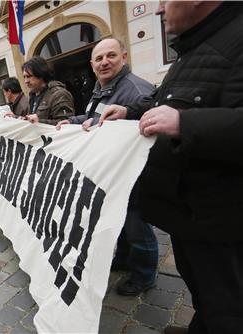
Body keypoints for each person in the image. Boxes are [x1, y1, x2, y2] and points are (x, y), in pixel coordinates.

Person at [99, 2, 243, 333]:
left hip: (222, 223)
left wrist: (186, 123)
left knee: (230, 308)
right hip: (188, 215)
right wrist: (131, 112)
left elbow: (181, 113)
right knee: (206, 294)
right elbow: (167, 102)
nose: (160, 8)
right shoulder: (196, 46)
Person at [58, 38, 158, 296]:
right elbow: (95, 117)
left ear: (124, 57)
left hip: (134, 175)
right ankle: (125, 260)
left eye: (111, 56)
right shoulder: (101, 88)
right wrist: (71, 121)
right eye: (99, 58)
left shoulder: (136, 89)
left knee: (137, 227)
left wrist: (128, 113)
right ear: (92, 65)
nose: (105, 62)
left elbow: (153, 115)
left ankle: (144, 276)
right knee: (121, 221)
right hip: (113, 172)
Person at [22, 56, 75, 125]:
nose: (26, 81)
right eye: (24, 77)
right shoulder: (33, 96)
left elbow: (66, 123)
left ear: (40, 74)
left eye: (29, 76)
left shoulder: (59, 94)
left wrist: (39, 121)